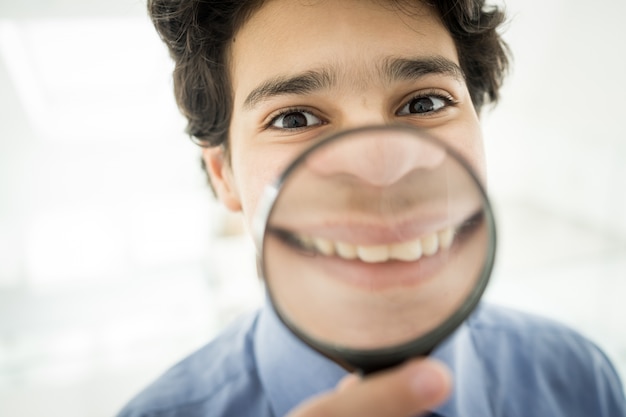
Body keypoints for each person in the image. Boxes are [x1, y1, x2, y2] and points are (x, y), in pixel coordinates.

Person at [117, 0, 626, 416]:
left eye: (424, 104)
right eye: (294, 118)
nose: (379, 170)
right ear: (223, 175)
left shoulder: (581, 382)